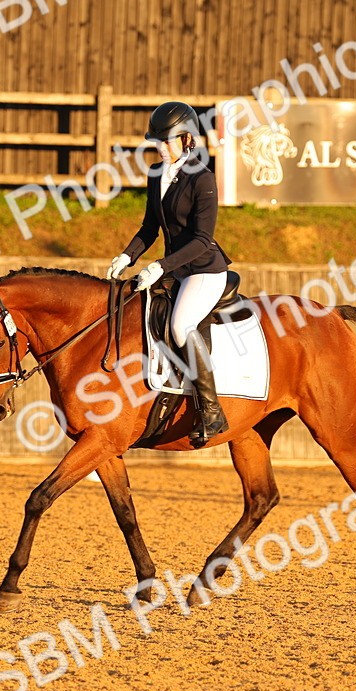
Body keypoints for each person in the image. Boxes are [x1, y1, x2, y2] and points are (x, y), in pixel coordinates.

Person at [108, 101, 232, 446]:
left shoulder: (203, 179)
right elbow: (150, 227)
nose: (160, 147)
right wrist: (127, 256)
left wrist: (160, 266)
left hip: (203, 270)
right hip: (173, 269)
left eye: (167, 141)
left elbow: (202, 239)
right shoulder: (155, 174)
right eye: (157, 142)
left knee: (180, 325)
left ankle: (211, 410)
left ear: (187, 139)